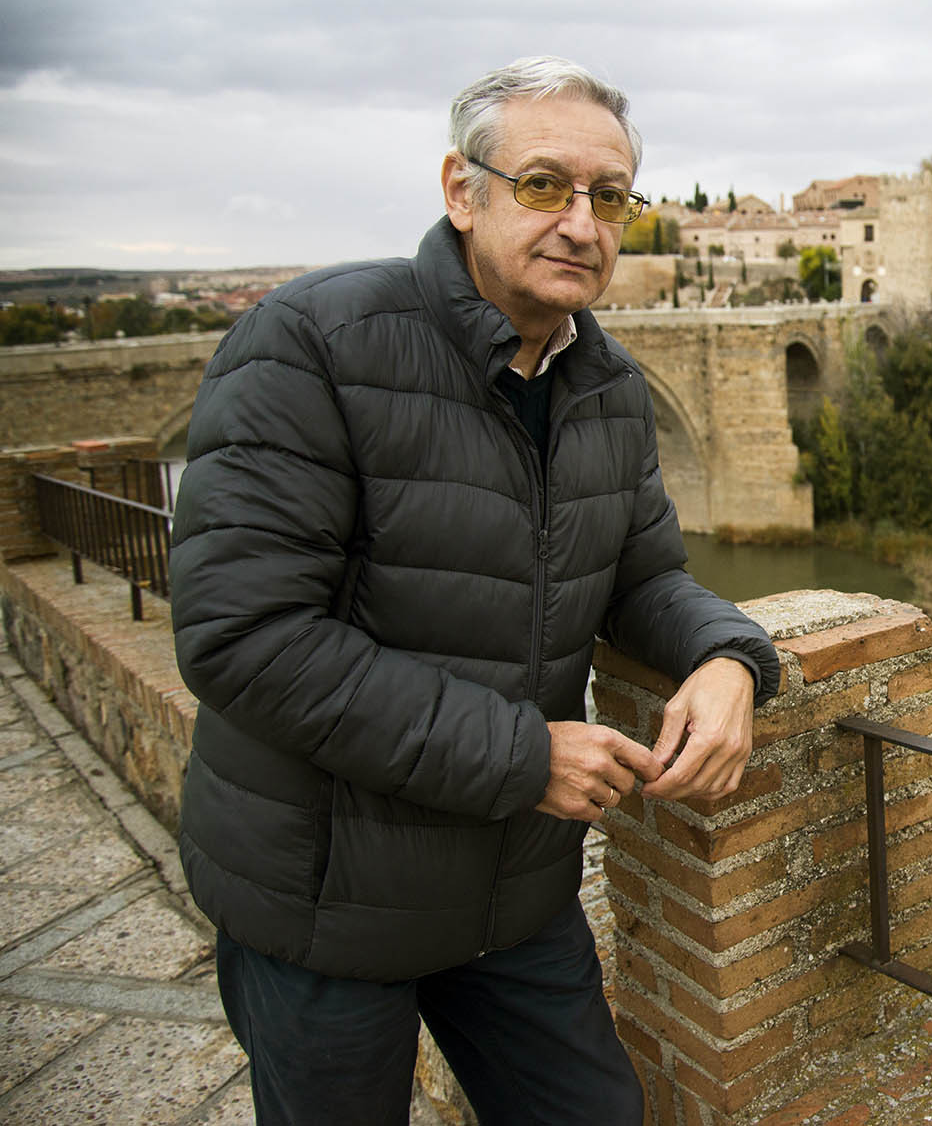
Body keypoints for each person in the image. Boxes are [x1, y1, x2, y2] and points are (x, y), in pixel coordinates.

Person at [169, 56, 780, 1125]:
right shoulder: (312, 343)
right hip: (326, 904)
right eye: (544, 184)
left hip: (513, 894)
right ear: (463, 189)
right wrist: (522, 754)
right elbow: (243, 638)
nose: (580, 224)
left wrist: (732, 657)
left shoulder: (606, 384)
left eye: (609, 197)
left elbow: (641, 577)